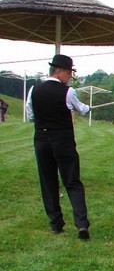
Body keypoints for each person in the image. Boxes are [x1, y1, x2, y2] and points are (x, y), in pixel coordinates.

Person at [26, 54, 91, 239]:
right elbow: (81, 109)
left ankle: (55, 223)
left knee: (48, 182)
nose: (70, 76)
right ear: (60, 71)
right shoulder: (68, 92)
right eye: (69, 72)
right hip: (62, 140)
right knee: (72, 181)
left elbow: (31, 115)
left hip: (41, 140)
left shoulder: (34, 90)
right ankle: (81, 224)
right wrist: (88, 108)